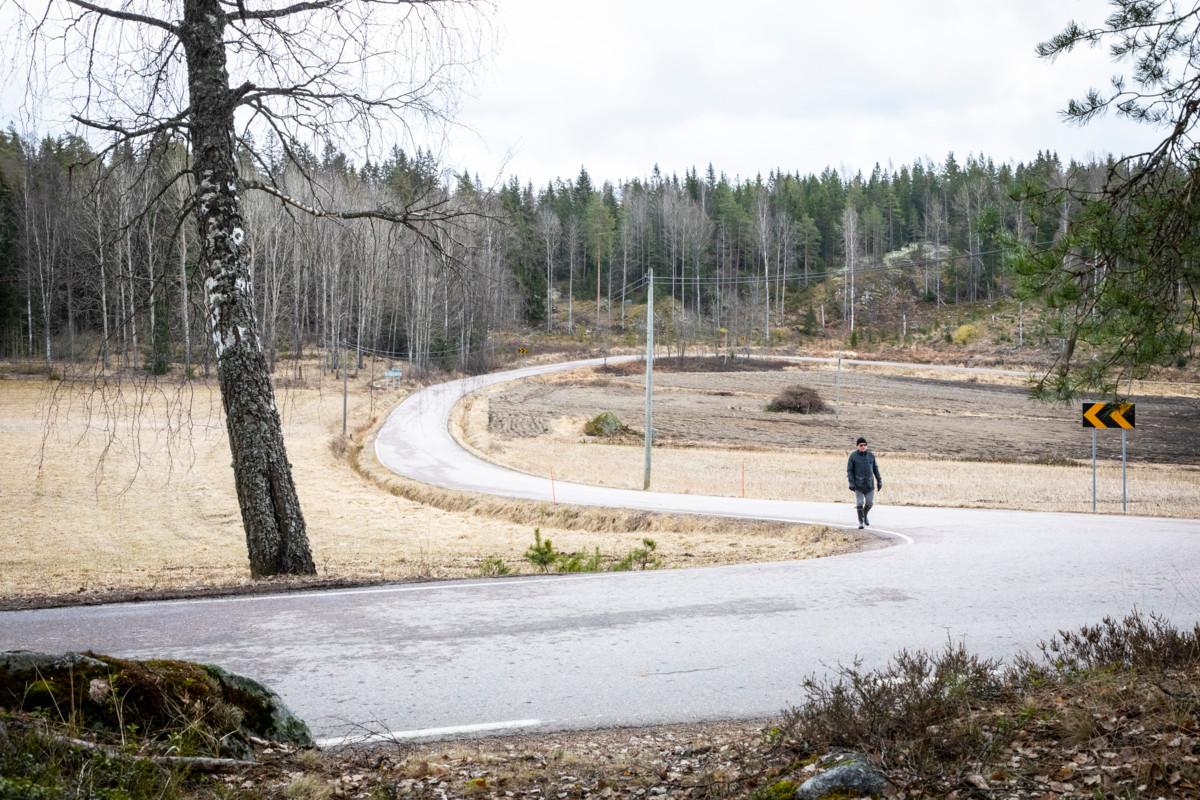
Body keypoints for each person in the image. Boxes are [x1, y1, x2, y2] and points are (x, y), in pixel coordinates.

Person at [846, 436, 882, 529]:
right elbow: (849, 471)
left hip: (869, 484)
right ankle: (861, 522)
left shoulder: (871, 456)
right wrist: (851, 483)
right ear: (857, 446)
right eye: (861, 445)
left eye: (865, 445)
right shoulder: (853, 456)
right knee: (859, 503)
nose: (863, 446)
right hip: (858, 485)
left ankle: (865, 515)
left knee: (869, 503)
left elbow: (875, 469)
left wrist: (879, 481)